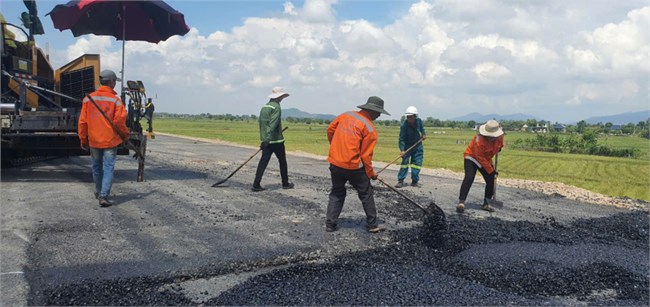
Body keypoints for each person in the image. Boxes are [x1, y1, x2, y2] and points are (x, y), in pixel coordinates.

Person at [325, 96, 390, 233]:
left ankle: (330, 224)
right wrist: (371, 173)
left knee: (337, 192)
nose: (378, 116)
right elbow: (366, 156)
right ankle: (372, 225)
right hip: (353, 166)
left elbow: (330, 130)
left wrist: (337, 148)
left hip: (335, 162)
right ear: (372, 111)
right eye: (378, 113)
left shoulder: (345, 115)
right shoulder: (370, 129)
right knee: (366, 193)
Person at [78, 69, 129, 207]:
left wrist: (83, 139)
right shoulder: (116, 100)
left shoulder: (88, 98)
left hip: (94, 140)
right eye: (115, 81)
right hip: (110, 140)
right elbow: (119, 121)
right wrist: (125, 135)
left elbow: (82, 122)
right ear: (111, 82)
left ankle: (99, 191)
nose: (115, 84)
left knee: (96, 167)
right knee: (108, 168)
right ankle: (103, 196)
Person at [456, 119, 504, 213]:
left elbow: (500, 144)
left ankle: (486, 203)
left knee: (491, 179)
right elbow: (480, 158)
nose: (490, 138)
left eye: (492, 136)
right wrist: (491, 170)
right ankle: (461, 202)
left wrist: (499, 148)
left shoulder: (500, 136)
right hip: (472, 157)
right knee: (469, 177)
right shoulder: (479, 141)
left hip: (486, 158)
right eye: (488, 136)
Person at [252, 86, 294, 191]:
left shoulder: (265, 107)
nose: (282, 98)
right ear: (279, 97)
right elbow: (273, 123)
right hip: (276, 141)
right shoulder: (276, 107)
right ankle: (285, 183)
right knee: (282, 162)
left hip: (265, 140)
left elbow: (262, 124)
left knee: (263, 162)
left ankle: (256, 184)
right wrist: (269, 138)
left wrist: (264, 139)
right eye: (282, 97)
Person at [396, 106, 427, 188]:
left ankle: (414, 181)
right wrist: (402, 150)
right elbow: (401, 139)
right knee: (404, 164)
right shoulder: (404, 126)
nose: (409, 118)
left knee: (416, 164)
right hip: (407, 147)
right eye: (408, 116)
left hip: (417, 146)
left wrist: (423, 134)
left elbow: (422, 129)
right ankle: (400, 180)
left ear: (415, 116)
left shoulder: (419, 121)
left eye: (411, 116)